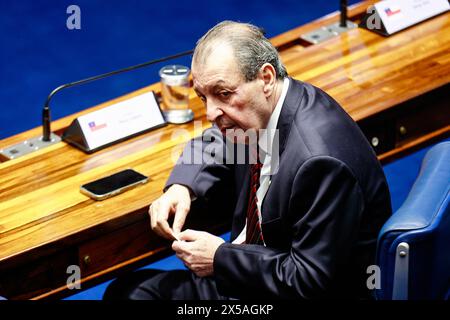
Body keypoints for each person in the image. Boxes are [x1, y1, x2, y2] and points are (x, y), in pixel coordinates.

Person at [103, 20, 391, 300]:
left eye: (223, 94)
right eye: (203, 98)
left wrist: (220, 258)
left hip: (286, 289)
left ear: (265, 78)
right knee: (130, 291)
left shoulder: (320, 162)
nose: (212, 113)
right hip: (252, 273)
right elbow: (215, 139)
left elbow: (309, 281)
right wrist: (181, 186)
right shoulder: (273, 105)